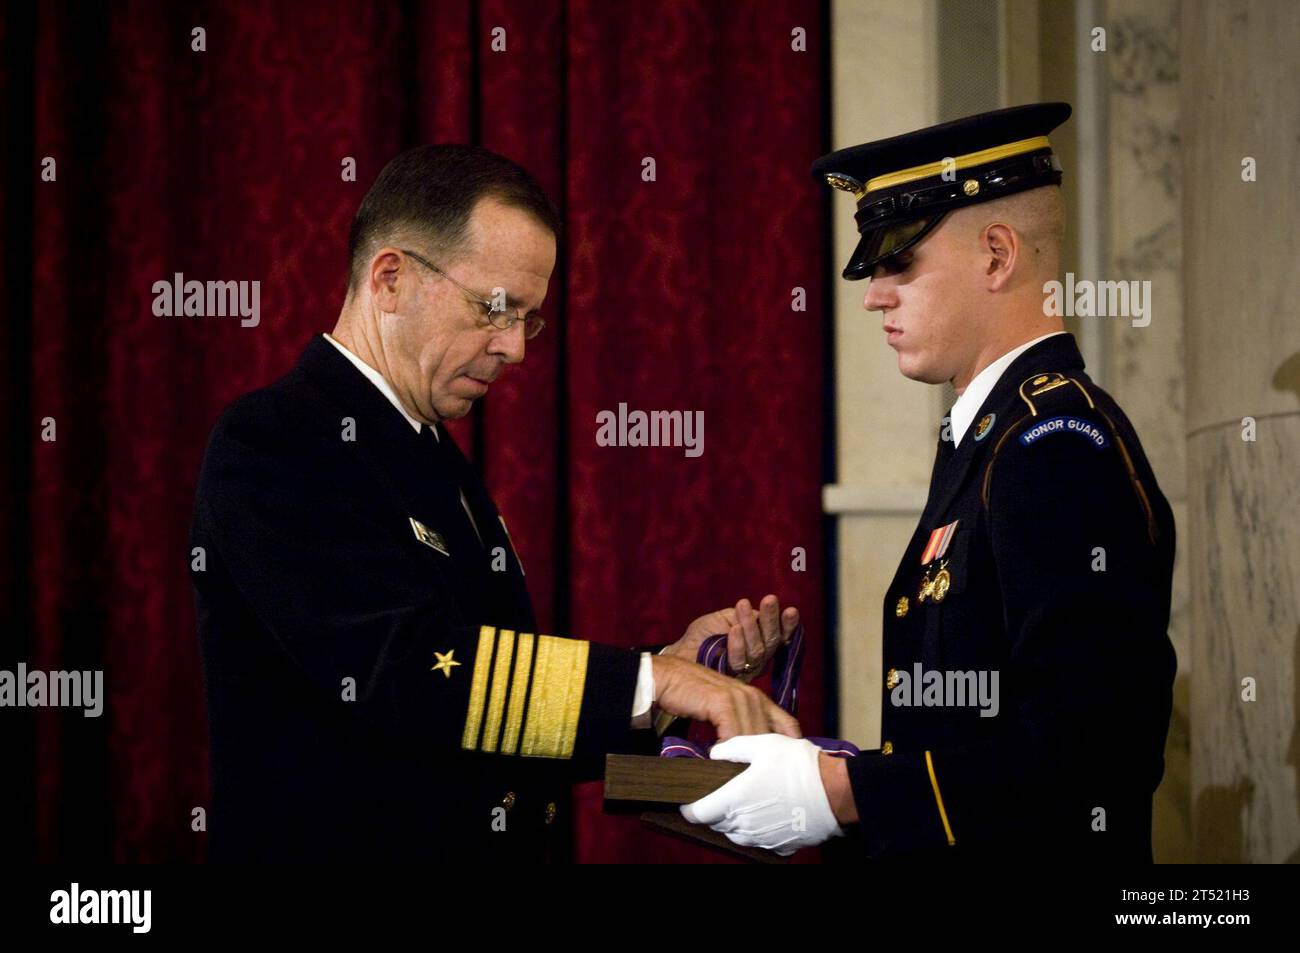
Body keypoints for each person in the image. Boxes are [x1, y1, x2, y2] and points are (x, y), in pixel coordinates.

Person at [190, 144, 800, 862]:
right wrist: (653, 679)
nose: (514, 347)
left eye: (529, 319)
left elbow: (499, 708)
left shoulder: (427, 450)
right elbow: (410, 673)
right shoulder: (280, 438)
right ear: (390, 277)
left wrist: (669, 673)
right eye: (495, 309)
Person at [681, 103, 1177, 862]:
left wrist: (836, 792)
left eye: (898, 262)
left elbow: (1088, 757)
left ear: (997, 256)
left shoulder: (1052, 446)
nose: (876, 294)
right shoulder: (988, 435)